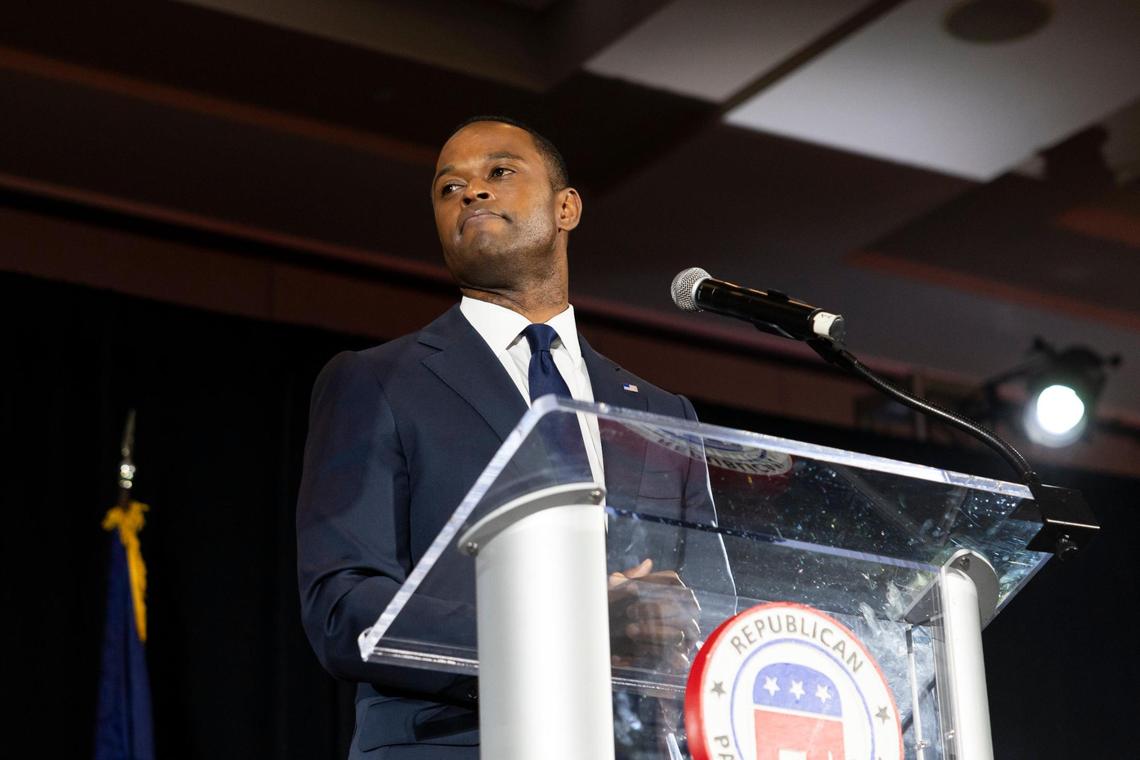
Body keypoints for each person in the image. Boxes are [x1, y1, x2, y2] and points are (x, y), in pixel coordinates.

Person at [297, 116, 718, 759]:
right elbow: (344, 609)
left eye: (499, 172)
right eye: (449, 188)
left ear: (566, 208)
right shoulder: (378, 382)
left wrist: (682, 622)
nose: (472, 192)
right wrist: (565, 630)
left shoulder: (663, 414)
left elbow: (711, 607)